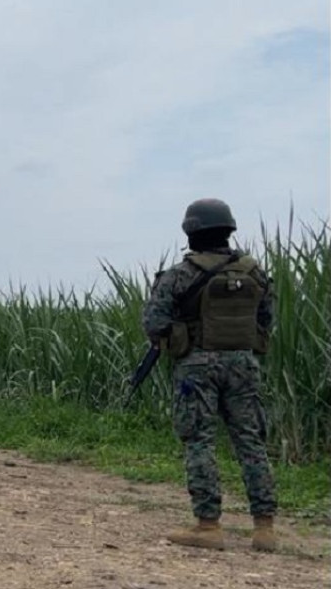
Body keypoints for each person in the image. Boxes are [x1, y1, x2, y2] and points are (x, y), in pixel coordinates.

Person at [141, 198, 278, 552]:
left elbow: (153, 323)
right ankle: (264, 528)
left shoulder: (179, 275)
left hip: (196, 367)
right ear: (229, 230)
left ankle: (208, 526)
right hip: (244, 365)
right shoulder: (253, 272)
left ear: (190, 231)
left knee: (199, 440)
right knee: (251, 442)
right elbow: (266, 321)